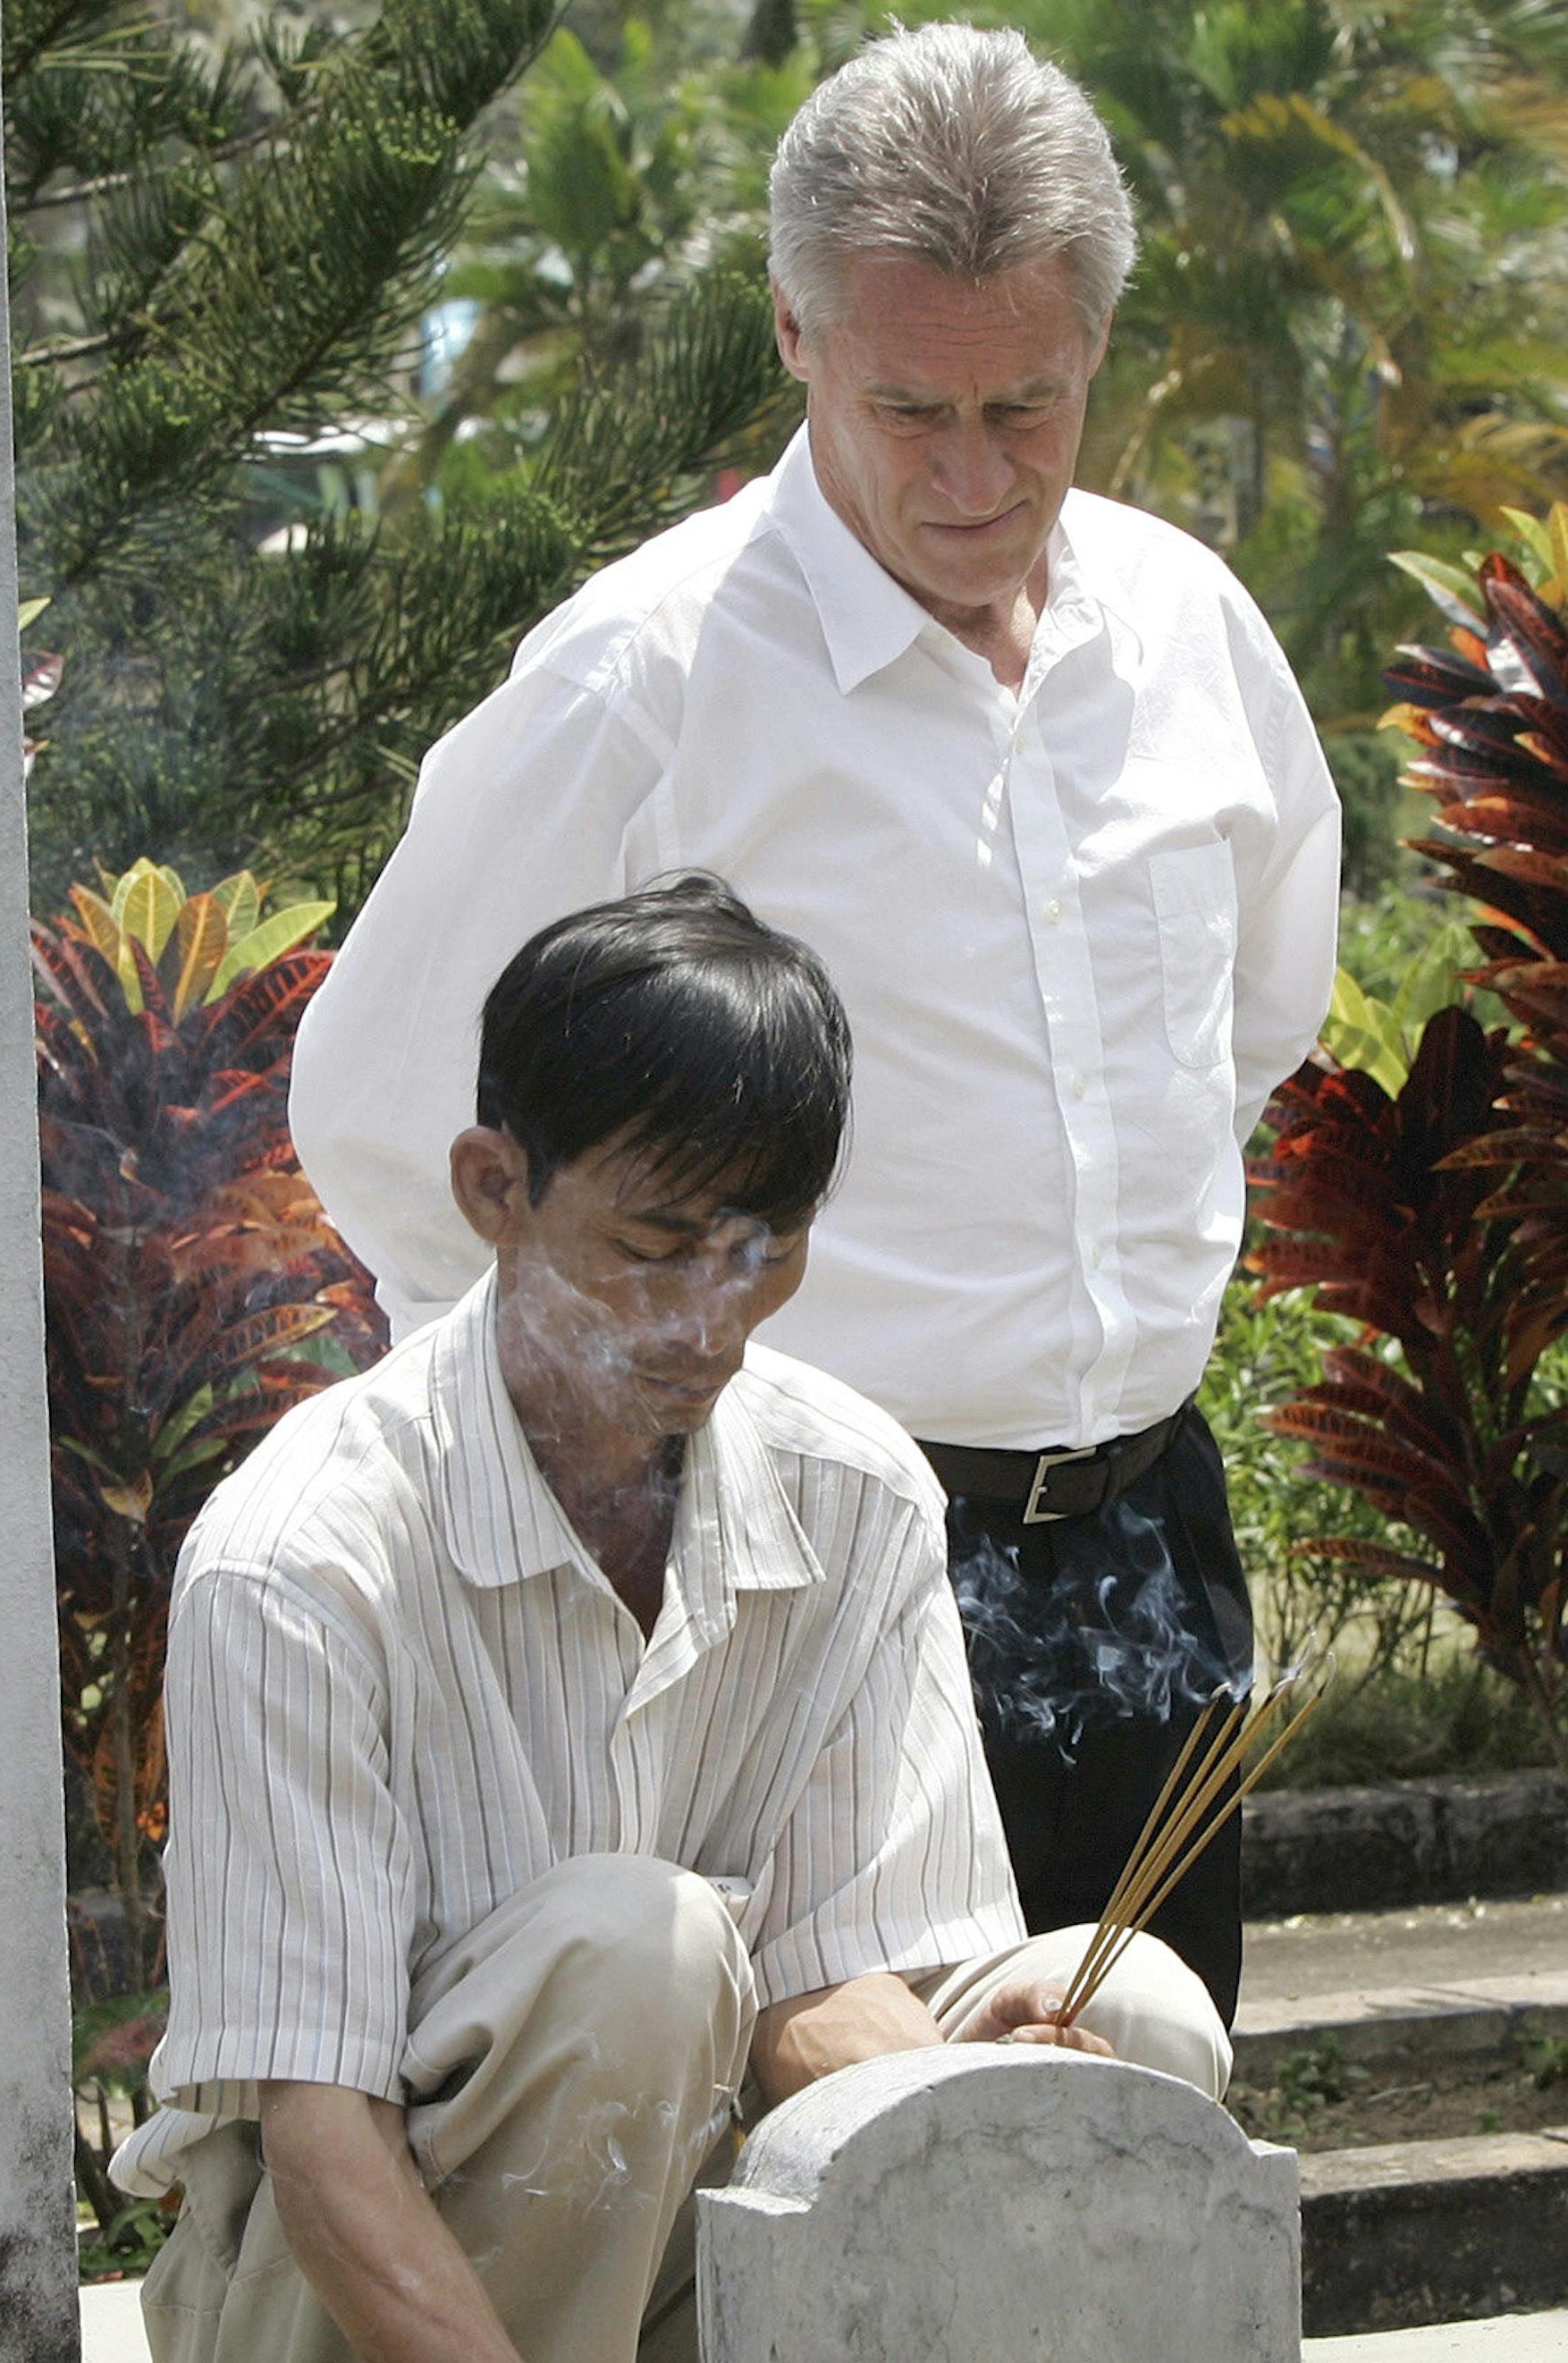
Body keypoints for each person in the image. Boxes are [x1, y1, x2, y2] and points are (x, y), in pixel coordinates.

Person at [289, 24, 1341, 2031]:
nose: (971, 476)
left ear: (1097, 350)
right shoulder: (647, 678)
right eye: (910, 405)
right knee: (843, 2221)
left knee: (1147, 2144)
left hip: (1143, 1548)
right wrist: (609, 1459)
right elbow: (378, 1115)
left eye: (1026, 407)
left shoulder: (1193, 628)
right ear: (793, 332)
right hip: (786, 1569)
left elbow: (1248, 1019)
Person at [114, 877, 1228, 2363]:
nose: (711, 1320)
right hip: (355, 2289)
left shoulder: (857, 1496)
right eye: (650, 1246)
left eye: (764, 1249)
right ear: (491, 1189)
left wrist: (974, 2105)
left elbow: (826, 1987)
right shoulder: (303, 1559)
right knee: (646, 1946)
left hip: (687, 2239)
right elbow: (321, 2144)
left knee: (1129, 2026)